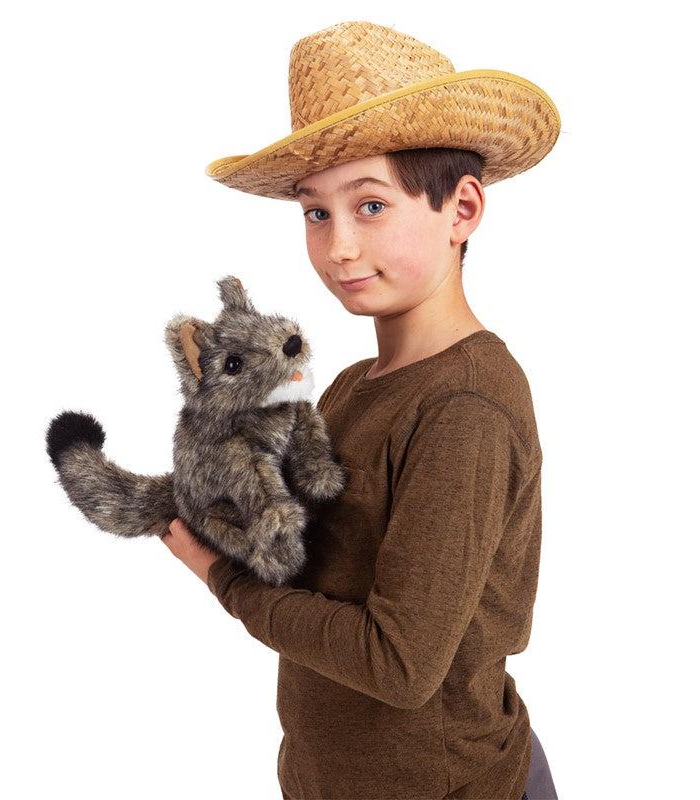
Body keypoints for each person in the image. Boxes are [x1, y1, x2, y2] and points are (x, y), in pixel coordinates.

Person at [162, 20, 560, 800]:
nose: (339, 246)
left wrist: (227, 583)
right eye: (316, 213)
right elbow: (320, 562)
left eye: (370, 206)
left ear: (463, 209)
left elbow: (399, 662)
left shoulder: (464, 409)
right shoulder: (354, 383)